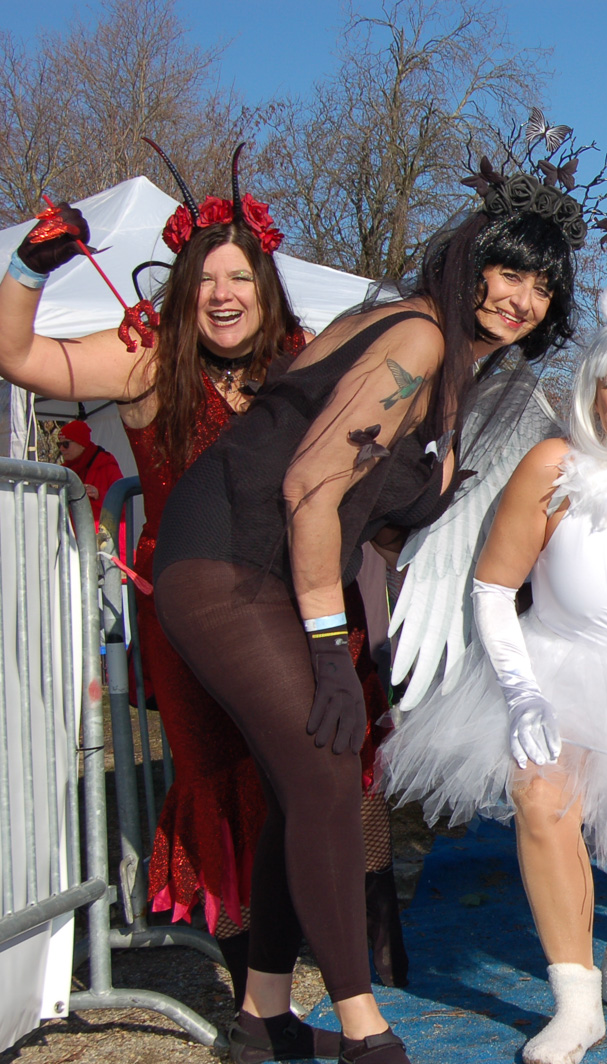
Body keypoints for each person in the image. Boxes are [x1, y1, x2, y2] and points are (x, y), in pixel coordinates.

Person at [151, 159, 582, 1064]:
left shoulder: (459, 373)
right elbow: (311, 484)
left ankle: (264, 1019)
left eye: (542, 285)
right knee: (324, 772)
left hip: (278, 570)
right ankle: (363, 1030)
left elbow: (376, 519)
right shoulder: (417, 336)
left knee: (302, 785)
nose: (521, 299)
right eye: (507, 271)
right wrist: (325, 648)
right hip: (227, 558)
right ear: (468, 264)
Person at [0, 147, 406, 1041]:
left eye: (240, 278)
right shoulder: (147, 363)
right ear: (185, 292)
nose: (224, 294)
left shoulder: (307, 364)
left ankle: (286, 1008)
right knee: (231, 796)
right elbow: (18, 355)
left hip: (305, 601)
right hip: (200, 616)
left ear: (266, 288)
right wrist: (28, 268)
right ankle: (275, 1005)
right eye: (206, 279)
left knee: (319, 782)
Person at [383, 278, 607, 1064]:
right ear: (592, 393)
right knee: (544, 802)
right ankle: (575, 1001)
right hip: (552, 670)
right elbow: (491, 588)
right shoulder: (551, 464)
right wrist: (521, 694)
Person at [53, 418, 122, 521]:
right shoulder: (65, 471)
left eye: (66, 444)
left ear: (82, 444)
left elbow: (123, 499)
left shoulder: (105, 463)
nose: (61, 449)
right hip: (75, 528)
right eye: (59, 445)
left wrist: (99, 495)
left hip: (103, 528)